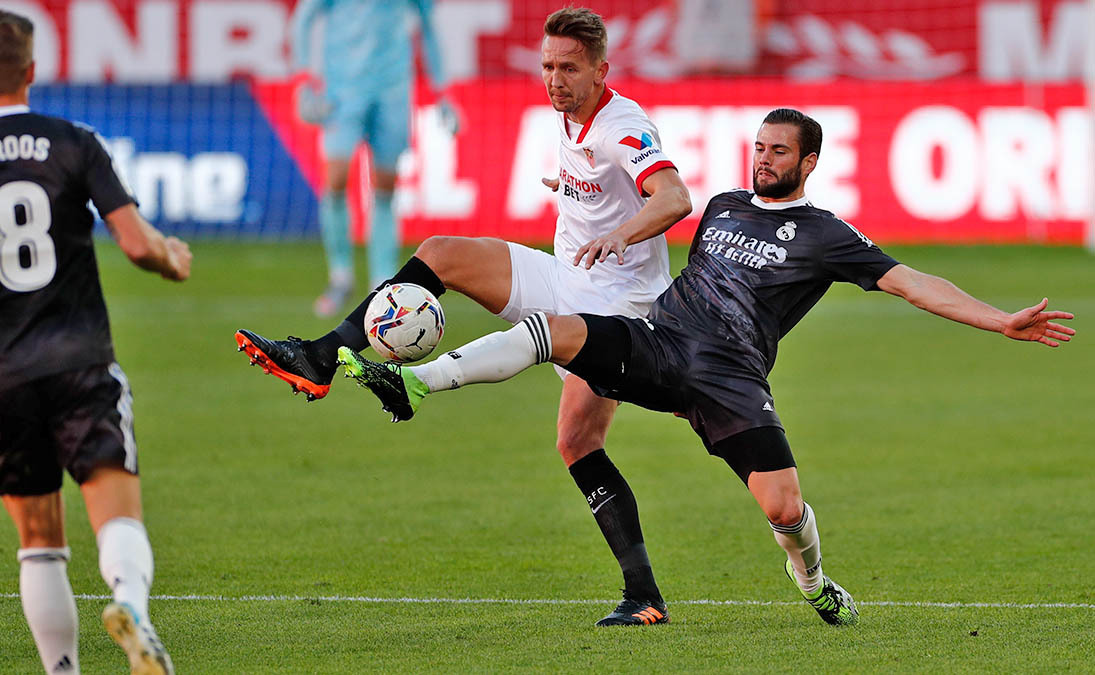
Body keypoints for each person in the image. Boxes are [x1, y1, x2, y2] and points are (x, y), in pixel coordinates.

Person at [334, 108, 1076, 627]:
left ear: (808, 161)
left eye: (779, 151)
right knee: (554, 332)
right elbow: (639, 212)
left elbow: (912, 282)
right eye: (758, 146)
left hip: (731, 381)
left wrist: (997, 318)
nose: (763, 158)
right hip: (661, 344)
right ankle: (413, 384)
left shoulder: (826, 235)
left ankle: (812, 580)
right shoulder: (721, 206)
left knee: (784, 510)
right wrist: (577, 198)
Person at [236, 7, 692, 626]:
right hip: (564, 277)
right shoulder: (567, 117)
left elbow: (674, 197)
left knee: (577, 441)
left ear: (601, 70)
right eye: (547, 66)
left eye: (569, 69)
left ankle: (643, 594)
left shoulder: (624, 126)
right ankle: (320, 356)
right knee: (440, 253)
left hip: (616, 309)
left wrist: (620, 231)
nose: (554, 80)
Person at [0, 10, 191, 673]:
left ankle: (62, 669)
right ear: (31, 71)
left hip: (3, 376)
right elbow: (137, 244)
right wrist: (172, 257)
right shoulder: (72, 142)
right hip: (79, 360)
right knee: (116, 515)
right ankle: (131, 604)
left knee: (38, 542)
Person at [291, 0, 453, 317]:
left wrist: (443, 90)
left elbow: (429, 26)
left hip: (392, 90)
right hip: (342, 93)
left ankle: (382, 281)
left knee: (385, 187)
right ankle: (340, 275)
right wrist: (303, 80)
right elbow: (302, 19)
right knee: (335, 178)